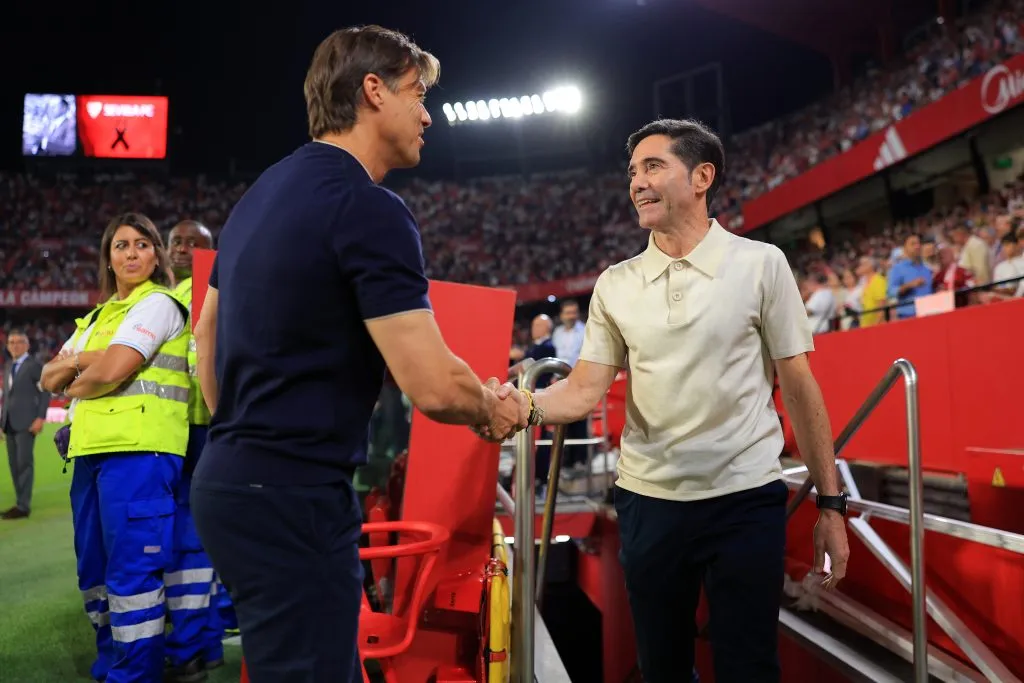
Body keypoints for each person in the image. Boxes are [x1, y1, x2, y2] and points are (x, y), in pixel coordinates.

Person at [189, 25, 528, 683]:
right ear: (372, 90)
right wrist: (491, 408)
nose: (428, 113)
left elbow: (207, 333)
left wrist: (240, 434)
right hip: (292, 492)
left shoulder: (258, 196)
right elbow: (429, 381)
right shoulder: (367, 208)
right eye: (417, 92)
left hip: (229, 481)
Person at [482, 119, 850, 683]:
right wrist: (523, 407)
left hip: (745, 497)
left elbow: (798, 386)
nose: (637, 183)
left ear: (703, 177)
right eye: (633, 172)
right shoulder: (615, 284)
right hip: (648, 502)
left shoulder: (761, 264)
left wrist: (831, 504)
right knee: (663, 668)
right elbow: (584, 387)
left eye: (653, 167)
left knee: (749, 666)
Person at [39, 212, 191, 683]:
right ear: (108, 258)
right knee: (96, 577)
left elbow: (111, 370)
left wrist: (79, 366)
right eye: (121, 245)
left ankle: (136, 675)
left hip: (140, 454)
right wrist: (91, 365)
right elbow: (47, 378)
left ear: (156, 254)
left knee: (131, 578)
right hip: (90, 456)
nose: (131, 253)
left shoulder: (160, 304)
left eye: (142, 244)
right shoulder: (99, 317)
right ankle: (111, 665)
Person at [164, 219, 224, 682]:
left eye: (194, 243)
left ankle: (187, 649)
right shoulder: (196, 292)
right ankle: (206, 642)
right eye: (177, 242)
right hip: (199, 431)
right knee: (200, 540)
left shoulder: (182, 296)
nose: (184, 249)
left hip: (189, 433)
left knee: (185, 541)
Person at [1, 329, 50, 519]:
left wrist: (40, 418)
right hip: (10, 423)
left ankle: (23, 506)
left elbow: (45, 392)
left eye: (18, 342)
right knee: (14, 464)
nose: (14, 345)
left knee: (24, 463)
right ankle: (19, 502)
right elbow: (6, 397)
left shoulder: (33, 365)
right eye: (11, 342)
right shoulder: (7, 366)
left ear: (27, 345)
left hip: (27, 422)